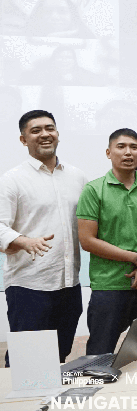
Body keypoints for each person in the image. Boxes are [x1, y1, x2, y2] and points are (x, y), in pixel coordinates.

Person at [0, 110, 88, 365]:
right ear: (23, 139)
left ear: (57, 133)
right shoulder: (12, 180)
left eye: (50, 128)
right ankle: (16, 393)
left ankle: (49, 392)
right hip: (29, 285)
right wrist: (25, 241)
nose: (45, 134)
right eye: (35, 130)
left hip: (69, 285)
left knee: (57, 356)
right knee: (26, 362)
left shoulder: (77, 176)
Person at [77, 128, 137, 356]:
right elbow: (87, 241)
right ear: (108, 152)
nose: (128, 153)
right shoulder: (93, 190)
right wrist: (136, 258)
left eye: (134, 147)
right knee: (100, 353)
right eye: (121, 147)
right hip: (109, 285)